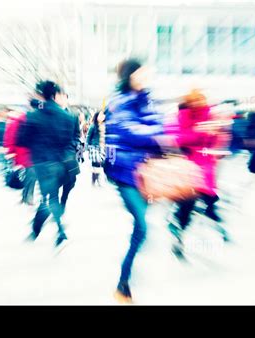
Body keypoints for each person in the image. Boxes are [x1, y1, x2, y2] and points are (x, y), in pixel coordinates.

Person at [104, 59, 165, 303]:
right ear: (129, 76)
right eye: (140, 74)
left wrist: (157, 133)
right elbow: (129, 131)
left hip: (148, 173)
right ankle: (123, 282)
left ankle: (133, 254)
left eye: (146, 74)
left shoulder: (148, 100)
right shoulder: (117, 102)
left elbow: (160, 125)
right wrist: (155, 135)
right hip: (125, 173)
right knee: (142, 225)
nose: (145, 78)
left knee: (141, 230)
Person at [166, 90, 229, 260]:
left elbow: (219, 138)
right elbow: (176, 138)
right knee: (188, 203)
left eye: (200, 101)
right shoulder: (182, 117)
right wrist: (199, 131)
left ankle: (179, 225)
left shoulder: (210, 115)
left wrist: (216, 138)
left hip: (207, 167)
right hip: (188, 168)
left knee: (209, 200)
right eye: (193, 101)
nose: (197, 104)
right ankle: (179, 231)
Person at [17, 81, 75, 248]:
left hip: (42, 163)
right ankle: (43, 229)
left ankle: (60, 232)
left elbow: (23, 140)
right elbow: (68, 141)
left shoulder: (34, 115)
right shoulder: (67, 116)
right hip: (60, 162)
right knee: (52, 197)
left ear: (41, 94)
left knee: (50, 198)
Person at [3, 104, 36, 205]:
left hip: (22, 153)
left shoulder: (18, 120)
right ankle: (27, 197)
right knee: (31, 176)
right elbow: (10, 135)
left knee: (28, 175)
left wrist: (10, 151)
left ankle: (25, 197)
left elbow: (9, 135)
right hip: (27, 153)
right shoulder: (21, 120)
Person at [86, 111, 106, 186]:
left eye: (103, 115)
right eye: (100, 115)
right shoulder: (93, 126)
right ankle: (95, 180)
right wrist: (86, 147)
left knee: (99, 164)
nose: (102, 116)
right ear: (96, 116)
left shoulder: (104, 126)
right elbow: (88, 137)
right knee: (96, 164)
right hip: (94, 147)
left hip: (102, 147)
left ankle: (95, 179)